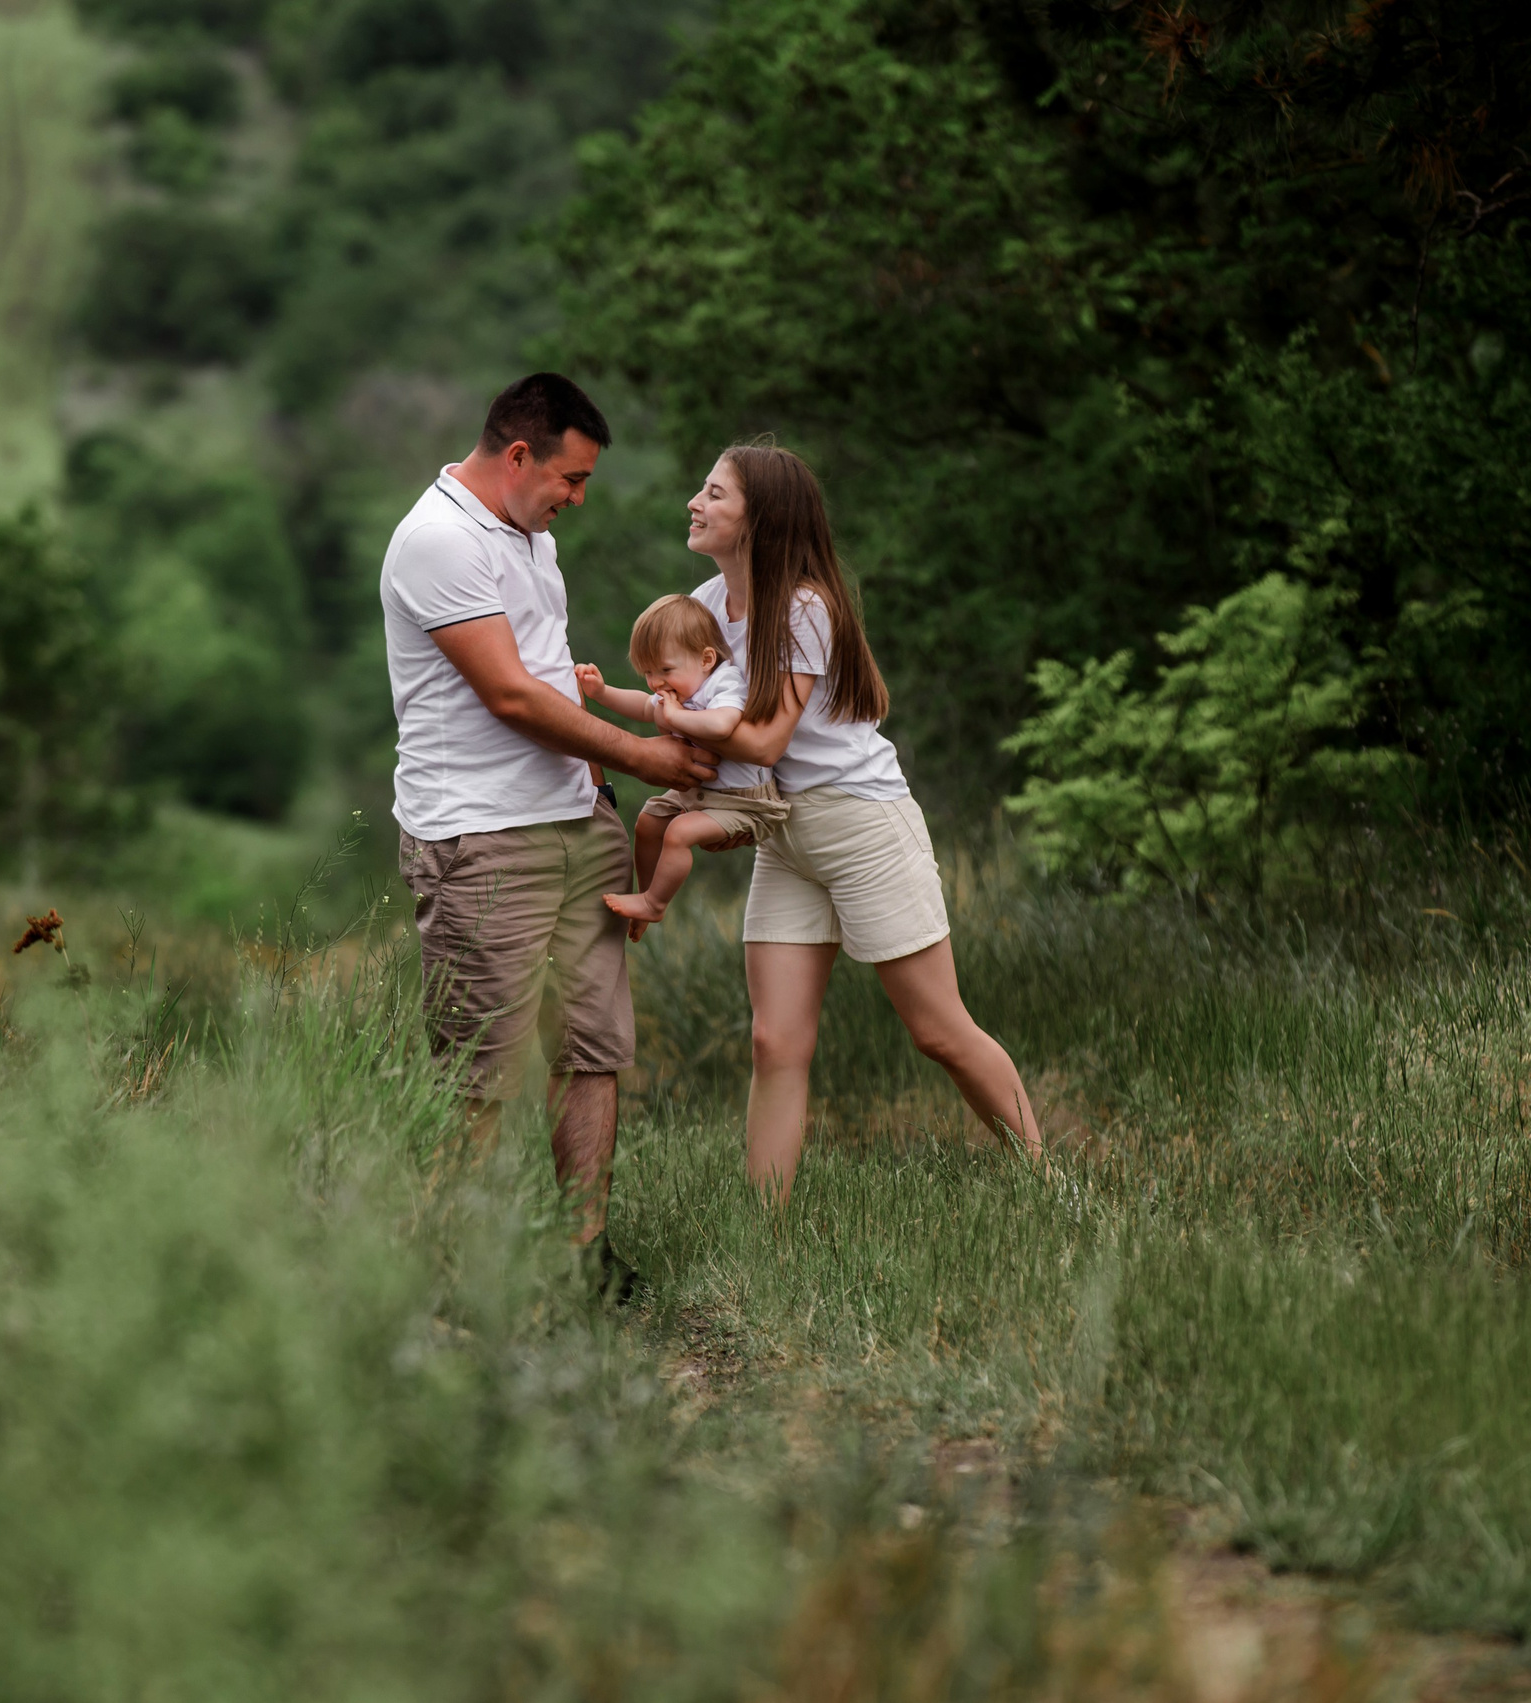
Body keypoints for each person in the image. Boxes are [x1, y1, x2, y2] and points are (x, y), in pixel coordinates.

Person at [380, 373, 716, 1283]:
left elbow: (555, 679)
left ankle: (582, 1256)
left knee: (591, 1048)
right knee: (479, 1067)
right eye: (571, 479)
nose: (575, 499)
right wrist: (645, 755)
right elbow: (509, 693)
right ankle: (464, 1270)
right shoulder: (438, 540)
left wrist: (605, 785)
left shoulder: (531, 541)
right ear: (518, 454)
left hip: (578, 824)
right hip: (484, 840)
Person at [676, 443, 1042, 1199]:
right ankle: (761, 1234)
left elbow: (765, 739)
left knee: (937, 1029)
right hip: (784, 831)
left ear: (758, 519)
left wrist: (655, 728)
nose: (695, 502)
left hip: (862, 823)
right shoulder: (706, 607)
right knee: (774, 1040)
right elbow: (697, 719)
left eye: (714, 493)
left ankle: (1045, 1183)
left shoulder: (806, 606)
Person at [572, 593, 788, 937]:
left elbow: (722, 725)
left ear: (705, 659)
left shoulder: (723, 682)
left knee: (679, 833)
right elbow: (645, 706)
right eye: (648, 672)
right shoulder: (678, 690)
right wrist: (602, 692)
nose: (657, 683)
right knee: (648, 822)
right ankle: (647, 893)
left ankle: (656, 904)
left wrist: (676, 716)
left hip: (746, 801)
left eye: (666, 670)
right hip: (700, 794)